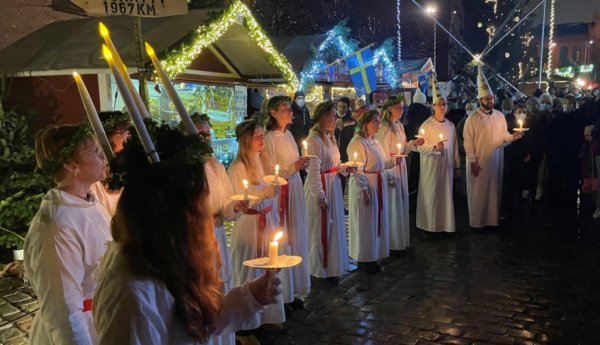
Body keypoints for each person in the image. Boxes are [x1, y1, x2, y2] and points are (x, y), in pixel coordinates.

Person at [93, 123, 282, 345]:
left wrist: (250, 296)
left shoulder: (167, 256)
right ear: (174, 212)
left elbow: (192, 323)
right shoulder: (133, 295)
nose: (206, 212)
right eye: (200, 201)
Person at [25, 123, 112, 345]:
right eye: (95, 151)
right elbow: (63, 310)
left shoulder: (89, 202)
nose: (104, 155)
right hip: (82, 330)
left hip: (102, 319)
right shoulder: (56, 227)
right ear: (72, 165)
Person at [226, 118, 286, 342]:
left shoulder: (262, 161)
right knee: (250, 267)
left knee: (268, 264)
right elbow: (241, 199)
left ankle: (267, 314)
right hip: (250, 224)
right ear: (245, 140)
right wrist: (264, 193)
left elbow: (268, 188)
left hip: (267, 219)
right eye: (257, 137)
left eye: (262, 136)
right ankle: (245, 327)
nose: (262, 140)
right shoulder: (238, 167)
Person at [192, 113, 250, 345]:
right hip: (198, 237)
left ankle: (225, 337)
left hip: (216, 232)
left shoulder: (215, 164)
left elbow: (225, 200)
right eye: (200, 134)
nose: (205, 138)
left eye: (208, 133)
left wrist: (234, 205)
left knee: (221, 282)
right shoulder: (188, 169)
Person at [263, 96, 311, 305]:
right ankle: (281, 296)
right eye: (285, 109)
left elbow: (293, 162)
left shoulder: (290, 135)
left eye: (290, 109)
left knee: (296, 235)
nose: (290, 112)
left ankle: (293, 290)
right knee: (284, 238)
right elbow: (269, 171)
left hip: (294, 189)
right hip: (280, 194)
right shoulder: (269, 139)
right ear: (273, 113)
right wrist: (292, 167)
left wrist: (301, 164)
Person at [463, 67, 521, 229]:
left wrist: (512, 137)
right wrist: (473, 161)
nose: (490, 100)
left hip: (496, 161)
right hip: (479, 162)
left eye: (492, 98)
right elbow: (468, 142)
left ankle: (491, 221)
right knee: (478, 193)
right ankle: (477, 223)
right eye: (487, 98)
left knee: (494, 191)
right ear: (480, 99)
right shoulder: (473, 118)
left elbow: (503, 137)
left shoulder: (500, 116)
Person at [304, 101, 354, 282]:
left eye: (335, 115)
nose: (335, 119)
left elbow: (335, 165)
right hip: (322, 187)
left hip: (333, 185)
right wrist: (319, 196)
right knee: (319, 228)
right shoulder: (313, 140)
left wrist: (346, 168)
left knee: (334, 228)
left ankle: (332, 266)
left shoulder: (330, 137)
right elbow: (313, 171)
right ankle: (319, 268)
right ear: (322, 117)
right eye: (331, 115)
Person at [347, 110, 396, 274]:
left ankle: (373, 255)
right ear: (364, 124)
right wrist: (364, 190)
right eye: (374, 121)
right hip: (367, 185)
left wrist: (394, 162)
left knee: (376, 221)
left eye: (377, 121)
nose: (377, 124)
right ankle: (363, 258)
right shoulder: (358, 142)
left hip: (377, 184)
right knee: (365, 222)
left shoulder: (374, 141)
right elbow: (357, 168)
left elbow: (382, 163)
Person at [376, 96, 424, 253]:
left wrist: (413, 144)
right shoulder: (384, 128)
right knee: (392, 204)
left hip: (401, 165)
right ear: (390, 109)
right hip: (390, 168)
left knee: (400, 203)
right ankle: (392, 243)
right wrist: (389, 165)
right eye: (399, 107)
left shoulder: (399, 126)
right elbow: (381, 151)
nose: (402, 111)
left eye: (403, 108)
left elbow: (403, 147)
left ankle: (401, 241)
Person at [415, 72, 460, 234]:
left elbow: (454, 148)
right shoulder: (426, 125)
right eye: (439, 104)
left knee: (445, 195)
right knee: (431, 194)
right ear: (433, 106)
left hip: (446, 167)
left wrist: (456, 167)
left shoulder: (451, 126)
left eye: (444, 104)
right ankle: (428, 226)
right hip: (431, 167)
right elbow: (420, 147)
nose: (442, 106)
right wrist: (433, 148)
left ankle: (445, 226)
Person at [546, 95, 583, 213]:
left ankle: (569, 204)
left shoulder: (578, 118)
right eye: (565, 103)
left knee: (570, 180)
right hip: (559, 154)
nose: (567, 106)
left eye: (569, 103)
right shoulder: (558, 118)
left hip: (572, 155)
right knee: (558, 179)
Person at [89, 111, 130, 216]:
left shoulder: (127, 164)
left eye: (126, 131)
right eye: (121, 132)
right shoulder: (95, 177)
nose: (127, 135)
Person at [405, 87, 431, 194]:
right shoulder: (426, 112)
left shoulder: (408, 112)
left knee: (412, 168)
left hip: (410, 143)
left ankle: (411, 188)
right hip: (422, 142)